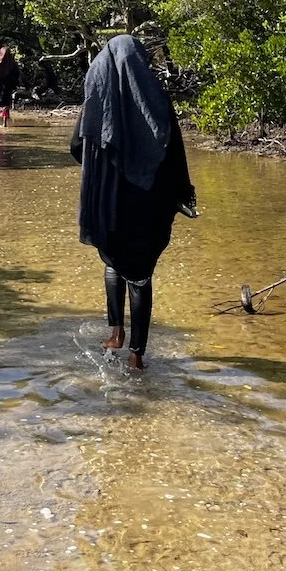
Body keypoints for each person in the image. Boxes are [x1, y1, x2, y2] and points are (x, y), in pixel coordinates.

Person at [69, 35, 197, 371]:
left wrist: (101, 169)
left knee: (113, 262)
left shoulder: (94, 100)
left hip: (109, 200)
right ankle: (137, 356)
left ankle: (116, 334)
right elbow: (175, 154)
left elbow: (75, 148)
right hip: (148, 203)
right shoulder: (156, 99)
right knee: (140, 274)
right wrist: (181, 194)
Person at [0, 46, 21, 127]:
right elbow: (16, 75)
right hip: (7, 87)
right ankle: (4, 123)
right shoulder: (12, 63)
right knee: (6, 105)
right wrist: (13, 85)